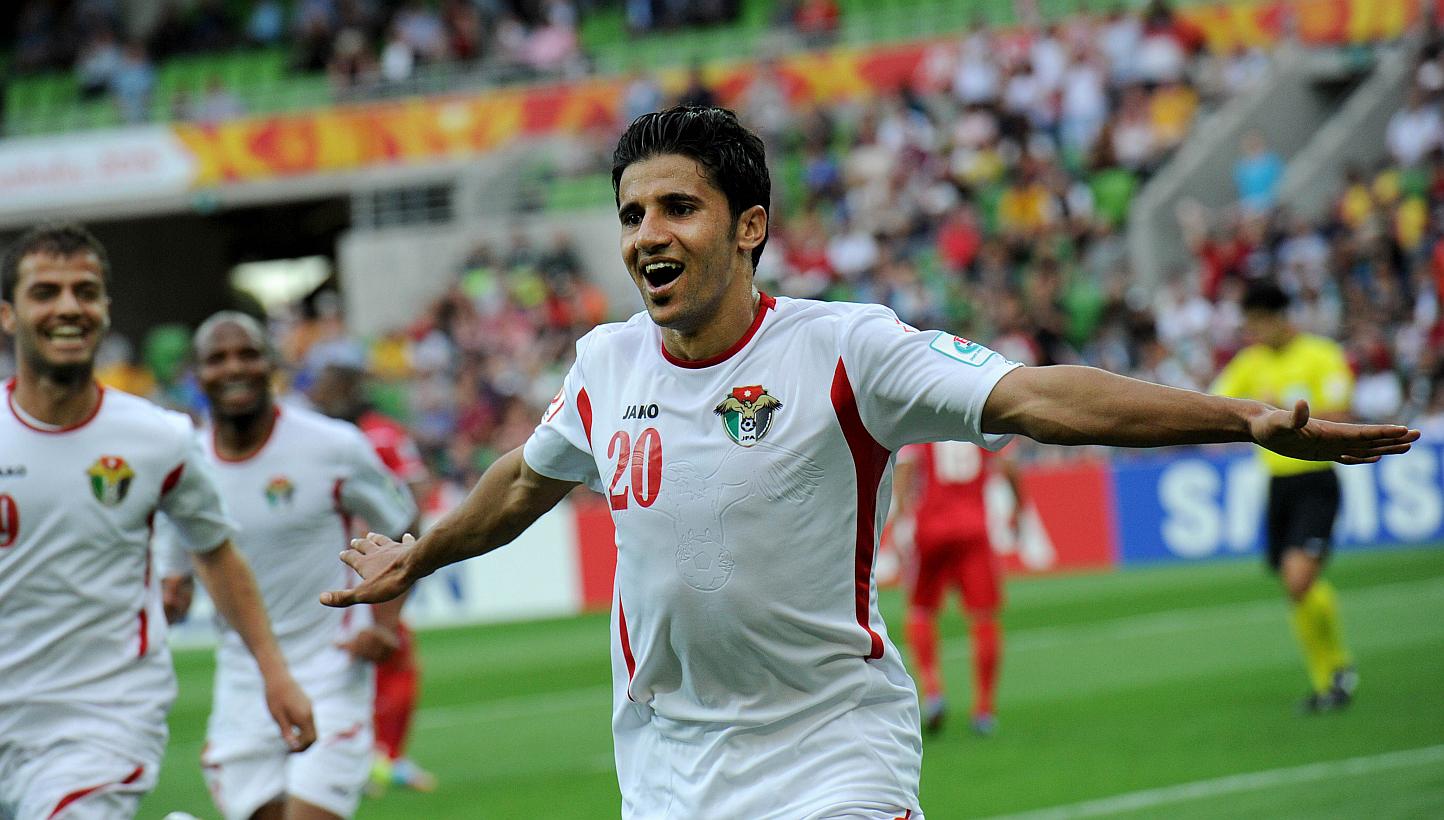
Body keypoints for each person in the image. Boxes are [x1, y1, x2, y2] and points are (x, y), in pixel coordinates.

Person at [319, 107, 1417, 819]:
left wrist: (1239, 417)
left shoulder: (848, 348)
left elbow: (1034, 395)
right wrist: (418, 554)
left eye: (677, 208)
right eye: (632, 212)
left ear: (749, 226)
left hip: (831, 754)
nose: (647, 233)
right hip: (665, 772)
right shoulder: (605, 363)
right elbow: (523, 479)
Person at [0, 224, 314, 820]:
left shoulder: (156, 438)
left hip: (101, 714)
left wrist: (277, 675)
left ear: (105, 310)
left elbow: (216, 552)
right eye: (45, 292)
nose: (69, 306)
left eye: (85, 291)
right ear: (8, 316)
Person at [156, 312, 418, 820]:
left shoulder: (332, 445)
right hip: (242, 682)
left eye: (248, 353)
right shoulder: (185, 468)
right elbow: (174, 588)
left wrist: (382, 622)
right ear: (196, 373)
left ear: (272, 364)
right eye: (217, 358)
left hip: (333, 668)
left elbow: (404, 522)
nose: (234, 367)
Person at [1211, 281, 1359, 712]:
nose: (1254, 333)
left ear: (1280, 317)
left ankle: (1337, 670)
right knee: (1294, 587)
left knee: (1298, 580)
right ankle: (1329, 680)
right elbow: (1216, 401)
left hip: (1316, 479)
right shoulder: (1250, 362)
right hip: (1277, 485)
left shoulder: (1321, 355)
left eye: (1258, 322)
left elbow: (1343, 415)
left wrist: (1288, 412)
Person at [307, 360, 436, 794]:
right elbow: (415, 492)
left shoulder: (334, 438)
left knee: (361, 652)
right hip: (369, 561)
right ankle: (376, 758)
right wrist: (410, 550)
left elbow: (411, 496)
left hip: (359, 559)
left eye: (326, 384)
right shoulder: (379, 434)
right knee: (386, 652)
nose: (319, 394)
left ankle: (364, 757)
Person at [890, 440, 1024, 737]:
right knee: (984, 616)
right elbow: (1009, 463)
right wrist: (1019, 508)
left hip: (930, 528)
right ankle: (984, 709)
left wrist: (899, 522)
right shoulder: (974, 418)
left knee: (921, 610)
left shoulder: (924, 423)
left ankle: (933, 689)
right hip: (974, 528)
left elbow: (906, 470)